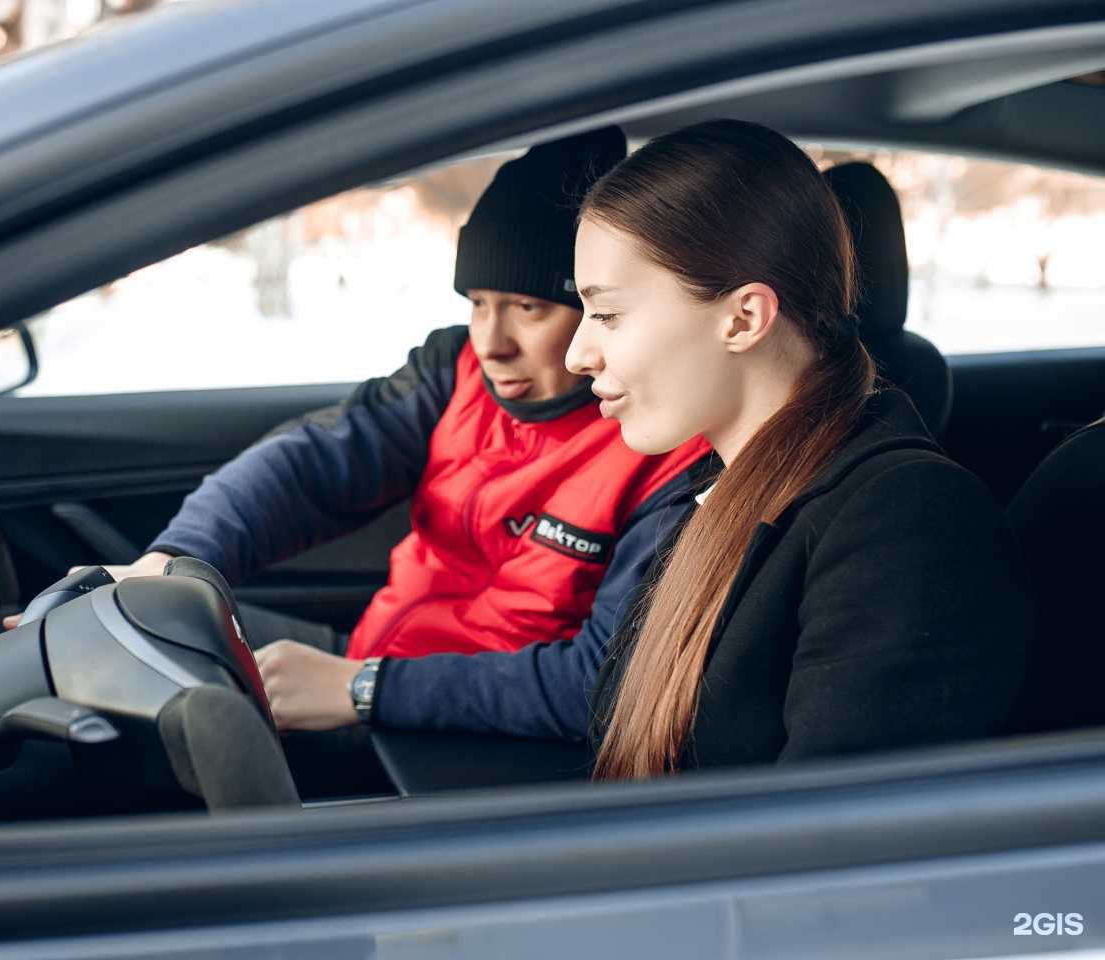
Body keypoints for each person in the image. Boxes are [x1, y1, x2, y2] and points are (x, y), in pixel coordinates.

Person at [287, 120, 1036, 786]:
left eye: (607, 313)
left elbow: (833, 873)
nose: (579, 353)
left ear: (743, 317)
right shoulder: (710, 491)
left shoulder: (904, 528)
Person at [87, 127, 711, 781]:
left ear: (595, 314)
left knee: (117, 757)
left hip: (463, 744)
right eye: (477, 305)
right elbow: (309, 467)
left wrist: (366, 689)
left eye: (528, 308)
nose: (492, 342)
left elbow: (600, 684)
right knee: (135, 640)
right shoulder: (456, 370)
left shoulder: (663, 449)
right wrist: (178, 560)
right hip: (371, 669)